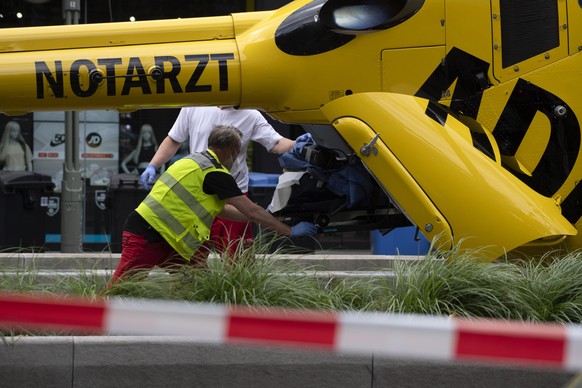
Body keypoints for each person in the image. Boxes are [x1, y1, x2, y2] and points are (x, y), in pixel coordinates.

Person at [111, 125, 316, 283]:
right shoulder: (215, 172)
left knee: (197, 284)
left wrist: (270, 214)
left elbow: (224, 209)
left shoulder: (190, 161)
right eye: (237, 152)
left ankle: (192, 330)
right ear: (231, 149)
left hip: (167, 239)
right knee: (121, 286)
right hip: (149, 235)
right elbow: (251, 211)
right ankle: (86, 330)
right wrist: (288, 231)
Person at [140, 107, 296, 253]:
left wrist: (300, 144)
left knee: (238, 258)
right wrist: (153, 165)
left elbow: (276, 142)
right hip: (199, 194)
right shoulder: (194, 106)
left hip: (233, 193)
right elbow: (174, 139)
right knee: (192, 256)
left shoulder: (250, 113)